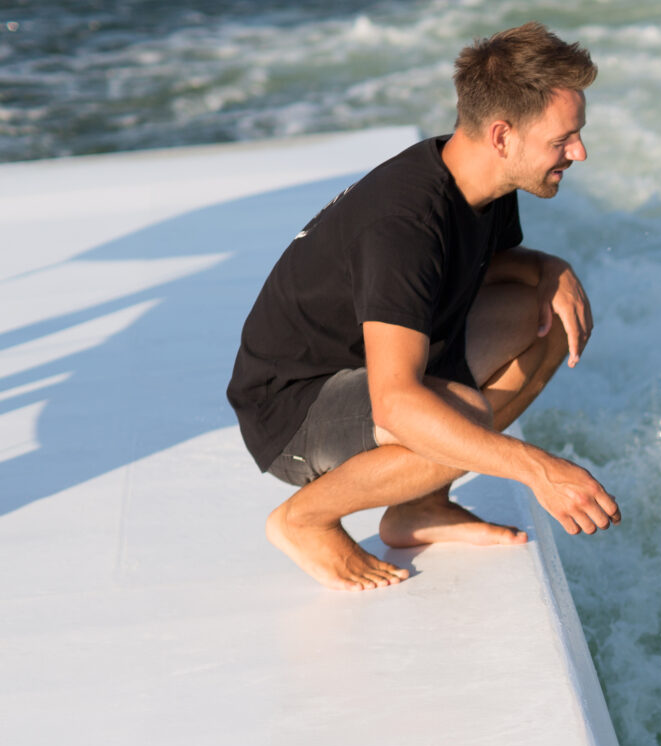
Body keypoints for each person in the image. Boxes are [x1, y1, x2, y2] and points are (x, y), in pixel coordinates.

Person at [227, 22, 620, 591]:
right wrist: (538, 469)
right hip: (293, 408)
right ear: (502, 136)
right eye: (563, 140)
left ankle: (420, 505)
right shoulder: (403, 225)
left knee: (546, 321)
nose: (579, 152)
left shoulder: (480, 178)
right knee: (459, 417)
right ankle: (304, 520)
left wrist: (547, 268)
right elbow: (397, 404)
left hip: (370, 365)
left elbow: (479, 265)